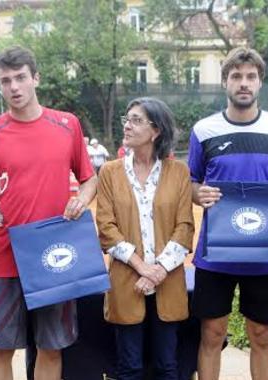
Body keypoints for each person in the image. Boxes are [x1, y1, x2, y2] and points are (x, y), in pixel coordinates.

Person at [0, 46, 97, 380]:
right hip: (5, 254)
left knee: (51, 347)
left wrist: (82, 199)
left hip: (55, 255)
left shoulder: (67, 124)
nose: (14, 87)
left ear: (35, 78)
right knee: (0, 348)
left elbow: (89, 179)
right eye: (5, 80)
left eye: (20, 78)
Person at [187, 47, 268, 380]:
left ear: (260, 83)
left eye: (250, 76)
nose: (243, 83)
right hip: (216, 252)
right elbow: (192, 184)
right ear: (225, 82)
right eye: (236, 76)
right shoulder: (204, 130)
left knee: (261, 335)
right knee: (212, 334)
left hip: (264, 251)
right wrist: (200, 193)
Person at [96, 97, 195, 379]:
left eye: (136, 120)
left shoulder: (179, 172)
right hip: (127, 282)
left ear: (156, 130)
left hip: (169, 283)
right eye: (126, 119)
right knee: (129, 368)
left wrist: (158, 272)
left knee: (168, 366)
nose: (127, 126)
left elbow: (185, 227)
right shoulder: (109, 172)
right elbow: (106, 227)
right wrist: (143, 268)